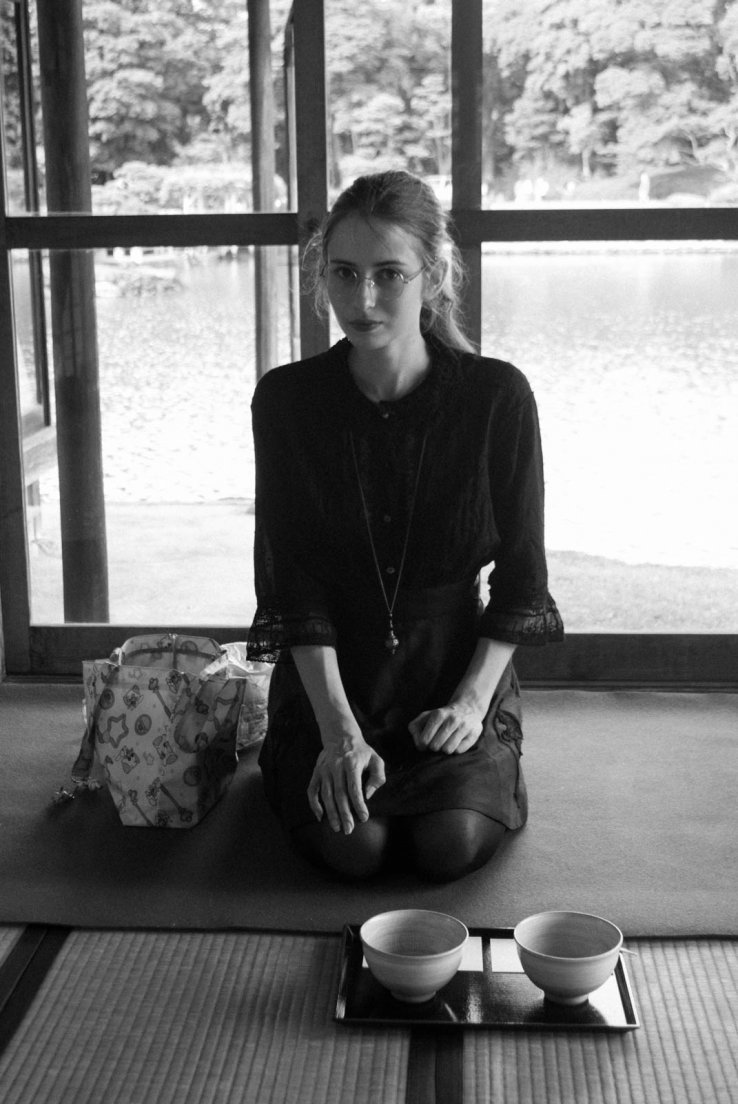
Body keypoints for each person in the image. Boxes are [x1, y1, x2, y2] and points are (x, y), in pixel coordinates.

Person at [246, 170, 563, 883]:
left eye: (389, 273)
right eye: (344, 273)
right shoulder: (288, 401)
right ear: (320, 275)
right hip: (332, 670)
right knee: (357, 849)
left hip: (453, 664)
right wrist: (337, 733)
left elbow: (522, 578)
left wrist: (472, 701)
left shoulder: (496, 397)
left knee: (444, 847)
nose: (362, 300)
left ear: (434, 272)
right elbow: (290, 584)